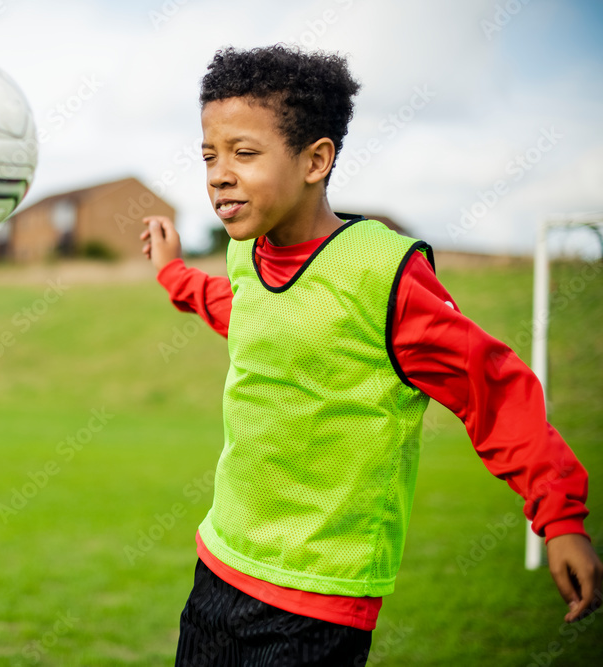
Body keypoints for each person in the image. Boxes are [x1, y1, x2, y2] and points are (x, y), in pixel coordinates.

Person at [139, 45, 602, 666]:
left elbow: (491, 389)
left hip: (318, 596)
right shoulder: (244, 256)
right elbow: (238, 312)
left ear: (316, 160)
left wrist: (560, 517)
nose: (218, 173)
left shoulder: (385, 276)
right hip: (220, 567)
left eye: (243, 153)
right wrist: (172, 274)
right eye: (208, 155)